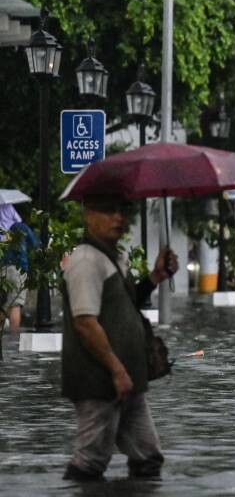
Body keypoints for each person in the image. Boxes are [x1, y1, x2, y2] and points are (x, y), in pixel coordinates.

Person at [61, 194, 178, 482]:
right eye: (108, 210)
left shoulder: (113, 257)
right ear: (88, 214)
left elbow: (125, 305)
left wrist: (155, 277)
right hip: (101, 380)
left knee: (148, 455)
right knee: (90, 461)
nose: (118, 218)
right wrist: (116, 369)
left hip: (126, 379)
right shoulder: (86, 261)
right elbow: (85, 323)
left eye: (122, 210)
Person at [0, 204, 39, 331]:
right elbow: (35, 245)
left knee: (3, 305)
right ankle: (12, 342)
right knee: (16, 304)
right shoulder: (19, 228)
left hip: (1, 268)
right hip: (17, 268)